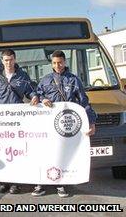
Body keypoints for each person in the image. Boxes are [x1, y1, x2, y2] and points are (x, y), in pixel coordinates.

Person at [32, 50, 97, 198]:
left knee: (63, 153)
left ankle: (62, 184)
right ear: (51, 63)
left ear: (65, 62)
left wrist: (92, 122)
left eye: (60, 62)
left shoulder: (74, 80)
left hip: (66, 124)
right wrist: (42, 99)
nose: (57, 66)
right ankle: (40, 183)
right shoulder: (45, 80)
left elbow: (84, 102)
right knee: (45, 152)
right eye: (54, 63)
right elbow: (37, 94)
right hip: (47, 124)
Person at [0, 49, 39, 195]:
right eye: (6, 60)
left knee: (16, 150)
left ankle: (15, 182)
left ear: (15, 59)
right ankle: (3, 181)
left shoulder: (23, 75)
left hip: (17, 120)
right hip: (0, 120)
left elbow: (30, 91)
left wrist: (34, 97)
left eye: (11, 60)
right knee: (2, 150)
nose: (8, 63)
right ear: (2, 61)